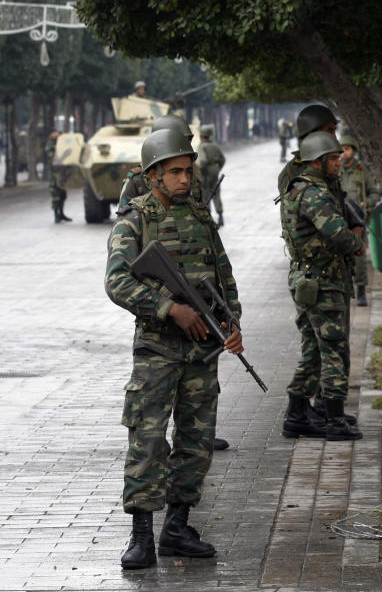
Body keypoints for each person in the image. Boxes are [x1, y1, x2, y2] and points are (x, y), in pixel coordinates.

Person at [105, 128, 244, 570]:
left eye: (188, 171)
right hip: (157, 351)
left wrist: (231, 324)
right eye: (176, 172)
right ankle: (142, 536)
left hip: (202, 352)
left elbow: (224, 275)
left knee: (196, 440)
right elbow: (117, 282)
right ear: (153, 176)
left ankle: (178, 528)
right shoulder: (133, 220)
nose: (185, 179)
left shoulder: (199, 216)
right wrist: (169, 308)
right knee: (147, 441)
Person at [280, 130, 365, 442]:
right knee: (332, 347)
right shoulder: (314, 194)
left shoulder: (298, 188)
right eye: (333, 158)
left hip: (309, 278)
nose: (338, 163)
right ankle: (333, 417)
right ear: (317, 161)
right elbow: (337, 234)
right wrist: (356, 240)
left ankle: (297, 414)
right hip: (322, 281)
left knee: (314, 349)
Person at [338, 132, 381, 306]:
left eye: (347, 149)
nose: (344, 153)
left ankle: (361, 290)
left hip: (358, 220)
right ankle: (345, 291)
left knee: (360, 256)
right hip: (340, 220)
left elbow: (374, 192)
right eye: (341, 149)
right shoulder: (335, 170)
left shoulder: (362, 171)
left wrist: (366, 203)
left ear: (353, 151)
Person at [196, 124, 225, 228]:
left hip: (206, 172)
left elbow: (202, 160)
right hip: (215, 170)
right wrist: (218, 169)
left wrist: (201, 171)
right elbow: (222, 159)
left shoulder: (202, 146)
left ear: (202, 136)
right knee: (216, 192)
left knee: (205, 194)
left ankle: (209, 217)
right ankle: (220, 215)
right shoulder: (215, 145)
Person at [45, 131, 72, 223]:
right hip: (54, 176)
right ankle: (56, 215)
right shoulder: (50, 146)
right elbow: (53, 158)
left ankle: (61, 213)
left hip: (61, 175)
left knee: (63, 195)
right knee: (56, 197)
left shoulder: (60, 145)